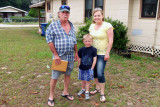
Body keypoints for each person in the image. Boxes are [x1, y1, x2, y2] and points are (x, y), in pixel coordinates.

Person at [46, 5, 78, 107]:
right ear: (59, 14)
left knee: (68, 74)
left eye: (67, 12)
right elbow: (49, 41)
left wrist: (76, 52)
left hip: (70, 56)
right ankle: (51, 96)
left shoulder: (71, 25)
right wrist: (55, 55)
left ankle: (65, 92)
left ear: (69, 14)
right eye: (63, 12)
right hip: (59, 57)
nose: (65, 14)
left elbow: (74, 40)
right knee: (54, 77)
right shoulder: (53, 26)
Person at [89, 8, 114, 102]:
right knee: (94, 72)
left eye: (98, 15)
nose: (97, 17)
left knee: (100, 73)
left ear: (102, 16)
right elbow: (90, 39)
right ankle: (97, 88)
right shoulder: (91, 26)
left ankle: (102, 93)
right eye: (95, 15)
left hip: (102, 53)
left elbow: (110, 40)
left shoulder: (107, 26)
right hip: (93, 53)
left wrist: (107, 52)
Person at [77, 34, 97, 100]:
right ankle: (82, 89)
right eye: (86, 41)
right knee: (82, 80)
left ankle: (87, 92)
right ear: (83, 41)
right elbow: (79, 58)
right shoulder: (81, 49)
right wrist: (79, 64)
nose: (87, 42)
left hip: (89, 68)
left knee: (87, 81)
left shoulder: (93, 49)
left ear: (92, 41)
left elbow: (94, 59)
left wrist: (92, 67)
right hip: (82, 68)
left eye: (89, 41)